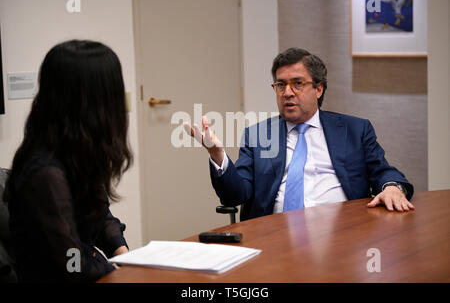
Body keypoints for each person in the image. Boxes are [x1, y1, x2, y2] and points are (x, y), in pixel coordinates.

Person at [185, 47, 414, 220]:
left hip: (343, 235)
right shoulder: (258, 135)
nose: (287, 93)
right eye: (280, 85)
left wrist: (392, 187)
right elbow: (235, 196)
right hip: (273, 239)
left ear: (318, 88)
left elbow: (384, 172)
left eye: (297, 84)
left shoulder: (355, 129)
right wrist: (217, 154)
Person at [3, 40, 132, 282]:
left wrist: (125, 257)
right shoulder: (45, 173)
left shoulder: (76, 152)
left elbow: (101, 217)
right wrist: (113, 270)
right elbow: (72, 264)